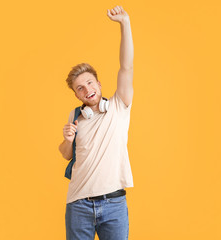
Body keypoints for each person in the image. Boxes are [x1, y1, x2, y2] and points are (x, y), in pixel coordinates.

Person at [58, 5, 134, 240]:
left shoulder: (118, 106)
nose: (87, 89)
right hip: (78, 205)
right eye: (80, 88)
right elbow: (65, 154)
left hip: (114, 204)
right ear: (76, 95)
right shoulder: (75, 116)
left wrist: (125, 23)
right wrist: (67, 139)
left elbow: (127, 66)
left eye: (90, 83)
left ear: (99, 84)